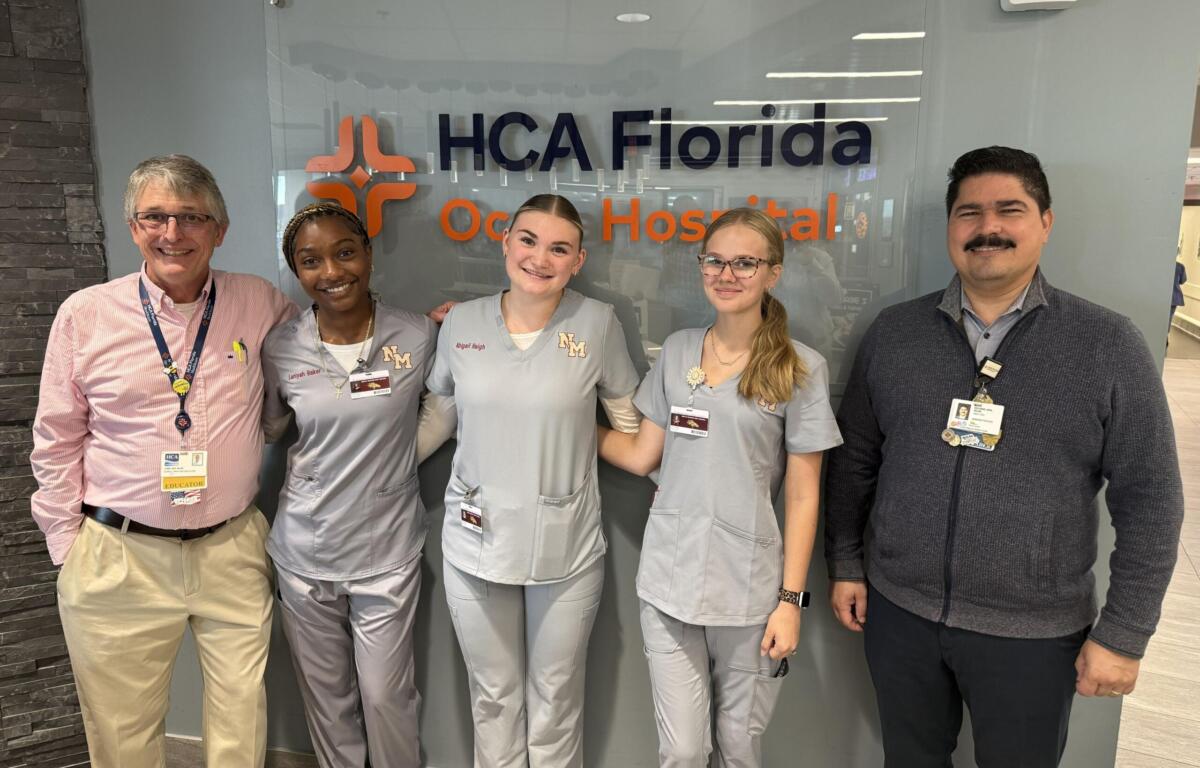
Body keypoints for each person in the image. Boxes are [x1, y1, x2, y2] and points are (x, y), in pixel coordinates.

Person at [825, 146, 1183, 768]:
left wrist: (1125, 634)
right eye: (969, 213)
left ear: (1045, 222)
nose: (987, 228)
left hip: (1033, 633)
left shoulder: (1105, 343)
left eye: (1009, 210)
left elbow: (1151, 499)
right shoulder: (895, 333)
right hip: (899, 613)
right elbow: (856, 460)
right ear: (950, 229)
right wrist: (848, 562)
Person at [29, 154, 298, 767]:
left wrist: (407, 326)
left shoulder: (257, 303)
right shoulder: (86, 315)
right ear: (133, 227)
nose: (172, 234)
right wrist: (68, 549)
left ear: (219, 230)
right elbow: (55, 437)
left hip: (230, 547)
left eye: (190, 218)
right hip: (119, 555)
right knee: (123, 736)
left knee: (241, 722)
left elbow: (323, 349)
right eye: (154, 217)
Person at [597, 208, 842, 767]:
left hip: (751, 592)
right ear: (700, 265)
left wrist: (790, 602)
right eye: (715, 260)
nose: (726, 273)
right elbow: (640, 455)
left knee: (737, 747)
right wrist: (565, 422)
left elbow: (804, 496)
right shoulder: (679, 350)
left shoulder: (800, 368)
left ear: (773, 272)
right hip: (668, 580)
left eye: (745, 262)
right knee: (682, 752)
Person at [425, 194, 640, 768]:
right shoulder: (463, 323)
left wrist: (682, 474)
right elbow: (439, 416)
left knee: (555, 700)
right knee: (492, 697)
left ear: (578, 260)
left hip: (565, 546)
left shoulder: (597, 325)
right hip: (474, 543)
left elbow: (629, 425)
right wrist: (373, 469)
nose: (539, 258)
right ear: (505, 242)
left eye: (558, 248)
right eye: (528, 240)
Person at [261, 203, 455, 768]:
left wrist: (390, 467)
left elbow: (443, 411)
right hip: (304, 551)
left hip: (387, 551)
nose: (332, 271)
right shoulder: (280, 346)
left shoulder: (417, 334)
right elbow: (273, 428)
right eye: (311, 261)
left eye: (345, 252)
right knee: (328, 700)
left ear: (368, 253)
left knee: (385, 695)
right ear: (297, 272)